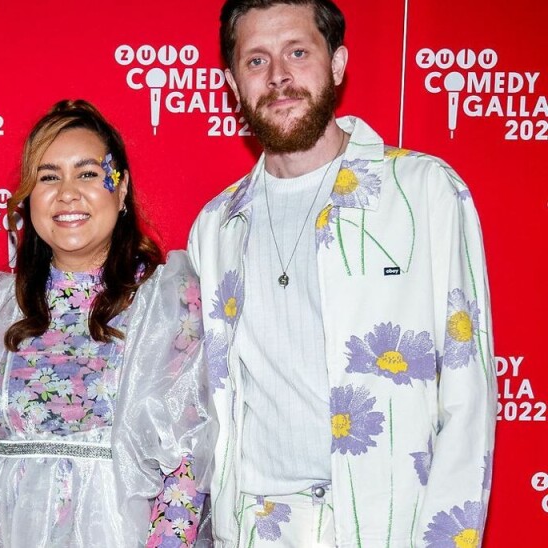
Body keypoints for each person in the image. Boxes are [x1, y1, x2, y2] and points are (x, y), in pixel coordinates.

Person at [188, 1, 497, 546]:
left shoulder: (424, 192)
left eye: (298, 52)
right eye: (256, 61)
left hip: (388, 525)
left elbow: (468, 399)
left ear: (337, 64)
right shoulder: (217, 227)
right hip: (255, 528)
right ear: (233, 83)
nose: (279, 76)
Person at [0, 100, 214, 547]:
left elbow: (185, 467)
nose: (68, 193)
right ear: (29, 197)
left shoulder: (168, 304)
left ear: (120, 191)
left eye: (87, 173)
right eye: (49, 176)